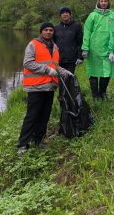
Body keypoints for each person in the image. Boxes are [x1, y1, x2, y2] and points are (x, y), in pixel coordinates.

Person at [17, 22, 72, 156]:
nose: (48, 32)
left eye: (51, 30)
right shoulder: (33, 44)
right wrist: (47, 70)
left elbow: (54, 66)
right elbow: (28, 63)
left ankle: (38, 140)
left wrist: (65, 72)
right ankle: (23, 144)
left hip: (49, 87)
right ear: (41, 32)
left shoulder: (54, 47)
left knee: (44, 115)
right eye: (46, 30)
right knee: (32, 116)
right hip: (35, 86)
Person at [81, 0, 114, 100]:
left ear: (108, 2)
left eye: (105, 1)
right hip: (94, 49)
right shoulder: (92, 15)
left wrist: (112, 50)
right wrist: (85, 48)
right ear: (98, 2)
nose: (103, 3)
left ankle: (102, 92)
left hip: (107, 49)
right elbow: (87, 31)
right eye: (101, 1)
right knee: (93, 71)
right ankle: (95, 95)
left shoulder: (113, 15)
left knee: (107, 72)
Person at [54, 6, 83, 75]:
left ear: (70, 15)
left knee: (69, 79)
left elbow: (80, 42)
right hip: (59, 60)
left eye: (67, 12)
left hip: (71, 60)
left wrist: (80, 57)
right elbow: (53, 43)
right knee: (60, 80)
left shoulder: (76, 26)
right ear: (60, 15)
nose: (65, 14)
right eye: (63, 13)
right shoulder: (56, 27)